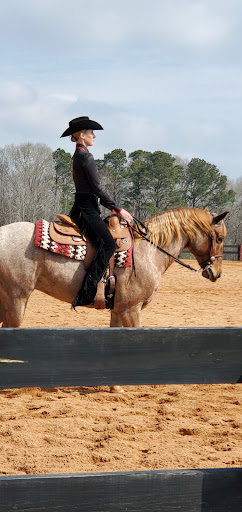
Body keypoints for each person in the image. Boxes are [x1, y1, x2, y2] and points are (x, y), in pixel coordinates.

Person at [60, 116, 133, 307]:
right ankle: (87, 293)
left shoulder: (77, 156)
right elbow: (98, 190)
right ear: (82, 136)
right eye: (91, 132)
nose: (94, 136)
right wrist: (120, 210)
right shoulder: (86, 157)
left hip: (80, 206)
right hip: (86, 209)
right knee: (108, 244)